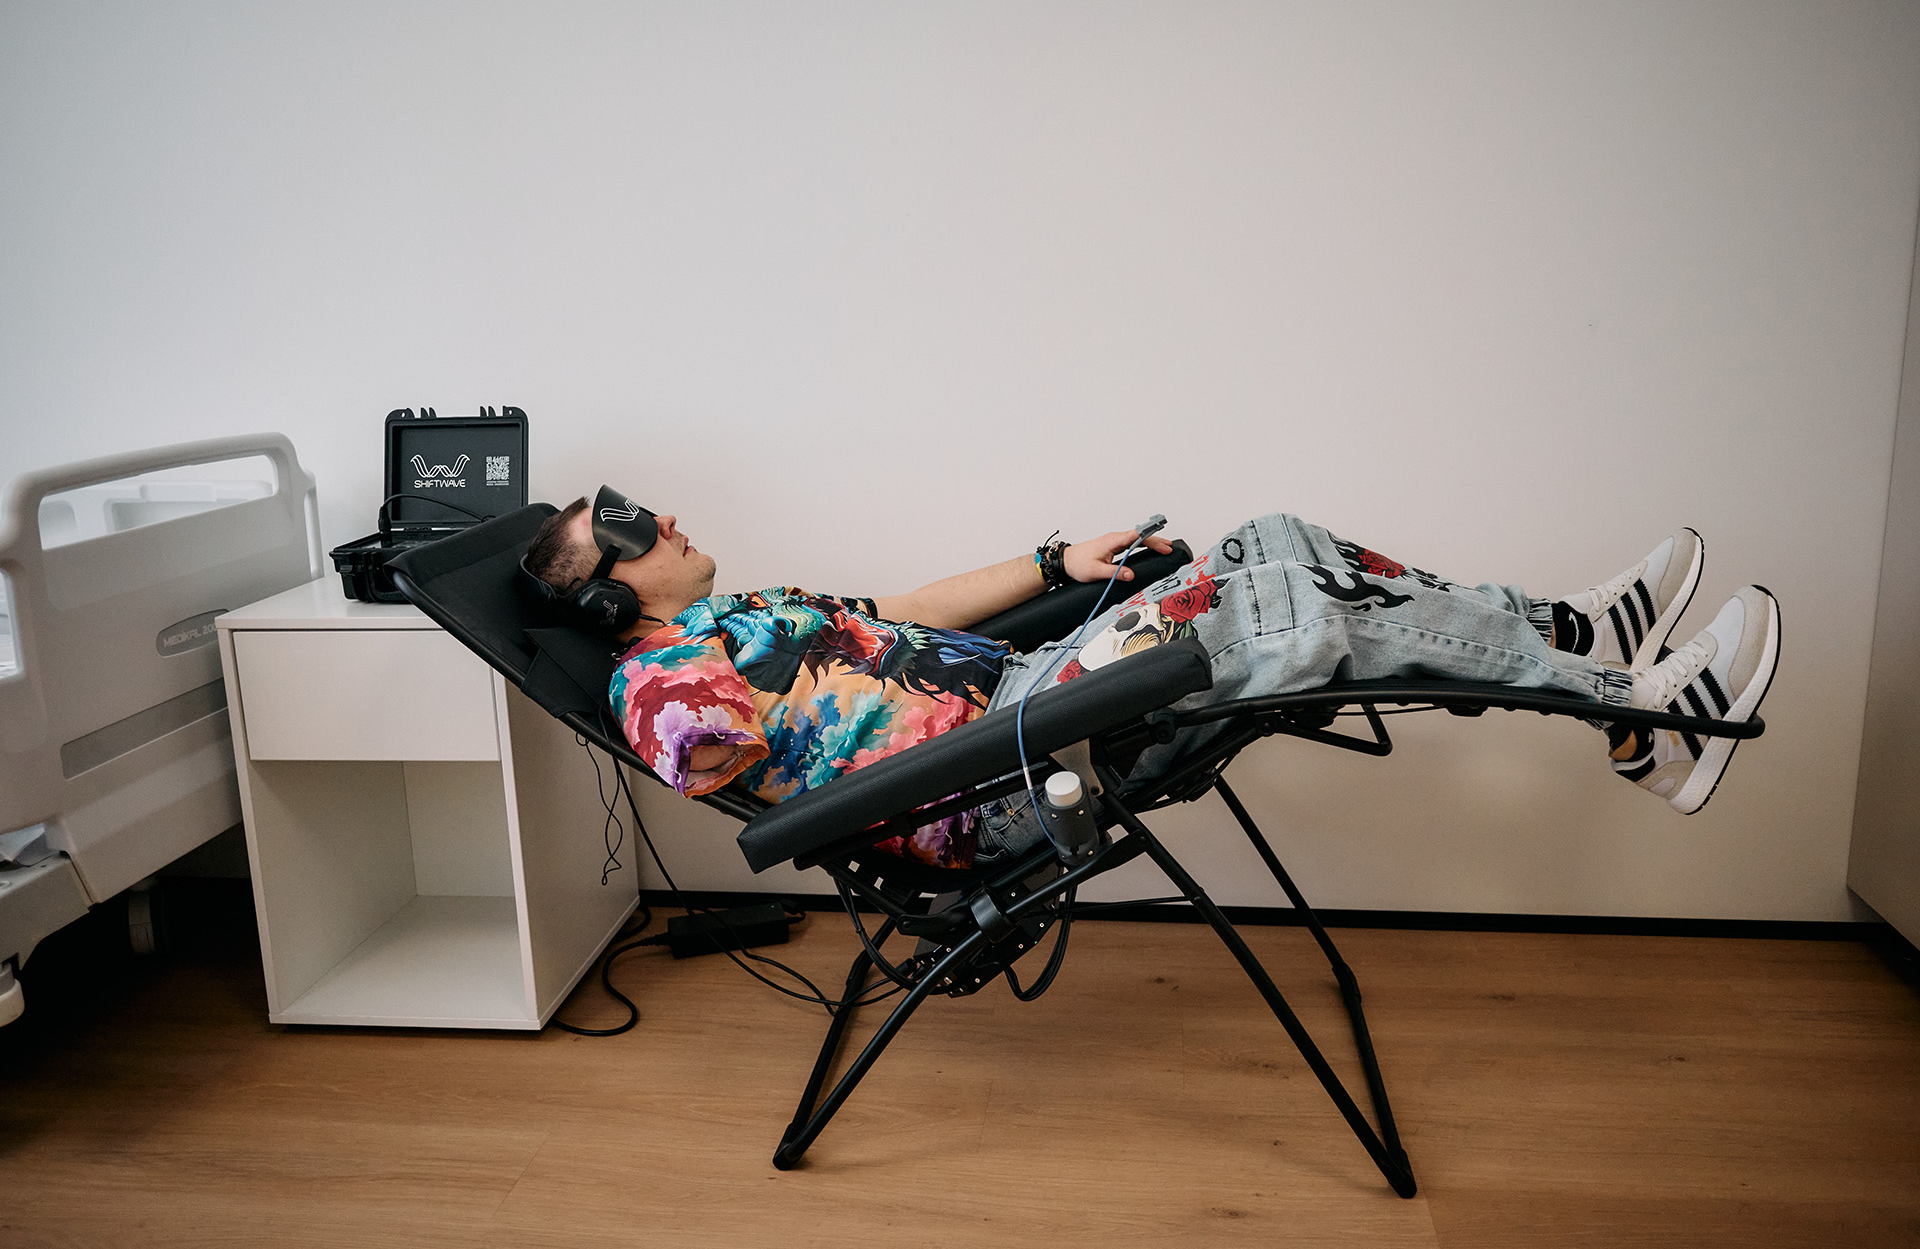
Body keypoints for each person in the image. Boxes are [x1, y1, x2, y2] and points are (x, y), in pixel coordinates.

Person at [522, 492, 1781, 869]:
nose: (662, 516)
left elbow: (904, 612)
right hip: (1003, 773)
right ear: (611, 595)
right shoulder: (663, 674)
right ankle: (1636, 717)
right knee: (1288, 614)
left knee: (1273, 540)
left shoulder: (747, 611)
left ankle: (1564, 626)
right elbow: (709, 765)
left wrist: (1053, 563)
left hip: (1034, 685)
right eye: (627, 528)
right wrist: (662, 671)